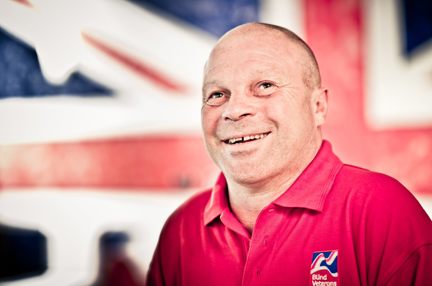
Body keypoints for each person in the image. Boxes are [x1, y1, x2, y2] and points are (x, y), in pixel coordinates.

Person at [146, 22, 432, 286]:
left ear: (318, 106)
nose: (234, 111)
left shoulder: (383, 212)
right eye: (217, 95)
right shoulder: (181, 230)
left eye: (265, 86)